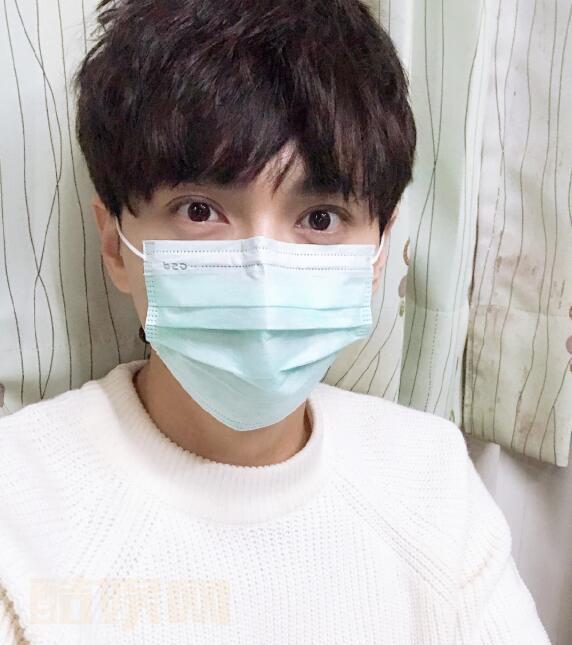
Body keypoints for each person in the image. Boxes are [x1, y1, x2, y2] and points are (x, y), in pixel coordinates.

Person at [0, 0, 552, 643]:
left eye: (319, 218)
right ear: (114, 246)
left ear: (379, 253)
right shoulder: (21, 508)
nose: (261, 272)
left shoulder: (431, 478)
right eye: (200, 211)